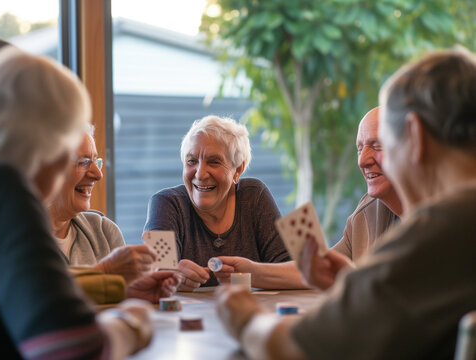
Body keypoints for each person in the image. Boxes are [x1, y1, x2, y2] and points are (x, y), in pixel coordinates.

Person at [216, 47, 476, 359]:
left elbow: (293, 348)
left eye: (386, 145)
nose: (367, 160)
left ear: (415, 136)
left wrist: (246, 318)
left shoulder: (444, 227)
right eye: (359, 148)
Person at [0, 46, 151, 359]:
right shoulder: (1, 188)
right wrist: (132, 323)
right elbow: (74, 349)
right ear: (45, 142)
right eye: (72, 153)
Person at [144, 115, 306, 290]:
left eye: (214, 162)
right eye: (191, 161)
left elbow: (300, 273)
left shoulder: (254, 196)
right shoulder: (165, 203)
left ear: (238, 170)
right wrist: (172, 275)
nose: (200, 174)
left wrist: (250, 273)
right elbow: (156, 273)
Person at [298, 107, 403, 290]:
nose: (362, 161)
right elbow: (323, 268)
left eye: (377, 146)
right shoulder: (365, 213)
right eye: (359, 149)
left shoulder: (445, 218)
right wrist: (249, 270)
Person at [48, 126, 158, 284]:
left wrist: (137, 291)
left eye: (96, 162)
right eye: (83, 162)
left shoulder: (104, 231)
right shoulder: (13, 237)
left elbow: (122, 297)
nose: (98, 175)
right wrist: (104, 271)